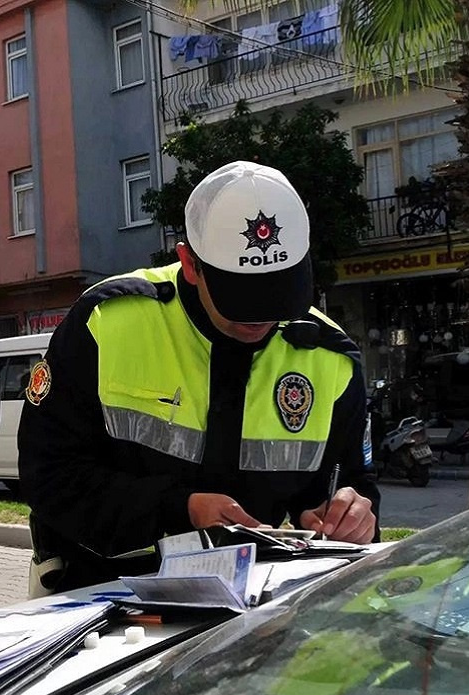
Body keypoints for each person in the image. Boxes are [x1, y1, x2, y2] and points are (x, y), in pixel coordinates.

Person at [19, 161, 380, 594]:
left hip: (253, 601)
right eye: (243, 297)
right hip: (101, 590)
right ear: (190, 263)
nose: (262, 317)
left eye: (279, 292)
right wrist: (180, 508)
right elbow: (49, 477)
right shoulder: (107, 323)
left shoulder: (329, 356)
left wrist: (350, 515)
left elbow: (351, 484)